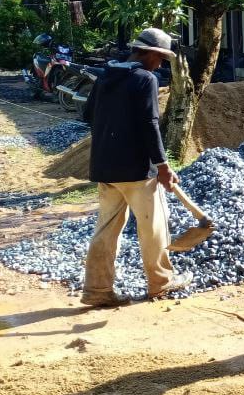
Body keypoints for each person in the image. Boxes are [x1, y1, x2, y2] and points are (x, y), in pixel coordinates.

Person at [80, 27, 193, 306]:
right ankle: (161, 282)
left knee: (105, 229)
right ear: (150, 53)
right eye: (160, 59)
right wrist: (163, 166)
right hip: (137, 171)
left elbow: (87, 114)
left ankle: (97, 290)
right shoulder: (145, 79)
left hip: (105, 167)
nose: (160, 64)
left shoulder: (106, 74)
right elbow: (150, 125)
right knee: (153, 227)